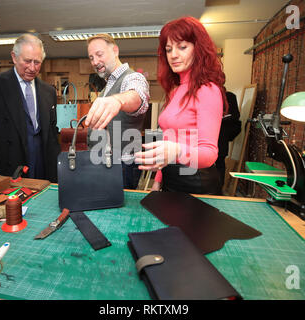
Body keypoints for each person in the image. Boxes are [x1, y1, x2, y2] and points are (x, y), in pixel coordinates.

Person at [134, 16, 228, 194]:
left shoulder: (207, 90)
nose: (173, 55)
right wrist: (158, 181)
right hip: (171, 179)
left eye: (182, 47)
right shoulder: (175, 90)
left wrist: (176, 151)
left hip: (196, 182)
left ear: (198, 49)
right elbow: (170, 140)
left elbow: (209, 154)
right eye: (168, 50)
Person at [0, 34, 60, 182]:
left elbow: (52, 134)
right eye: (27, 61)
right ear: (14, 57)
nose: (32, 68)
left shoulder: (49, 91)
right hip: (9, 164)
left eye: (37, 62)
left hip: (42, 163)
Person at [85, 34, 150, 190]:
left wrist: (118, 101)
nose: (95, 62)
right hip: (105, 162)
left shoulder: (132, 78)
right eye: (91, 58)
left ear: (115, 51)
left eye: (99, 55)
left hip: (122, 165)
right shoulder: (107, 86)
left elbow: (138, 95)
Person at [215, 90, 241, 195]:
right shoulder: (207, 95)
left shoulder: (230, 96)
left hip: (222, 135)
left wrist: (221, 119)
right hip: (210, 134)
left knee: (220, 162)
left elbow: (235, 116)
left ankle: (219, 190)